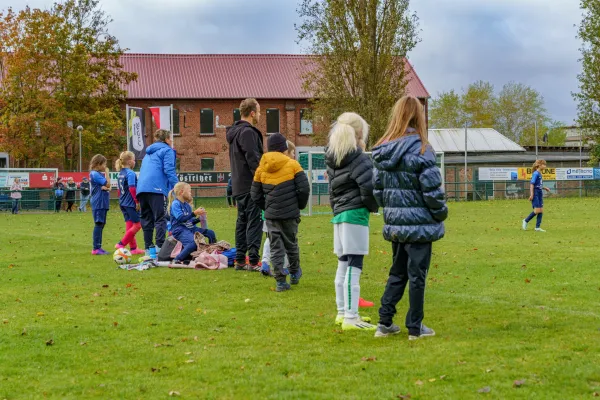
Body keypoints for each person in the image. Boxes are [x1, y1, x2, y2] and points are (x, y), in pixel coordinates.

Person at [371, 95, 448, 340]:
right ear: (418, 117)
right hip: (420, 223)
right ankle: (415, 326)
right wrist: (440, 213)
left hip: (397, 223)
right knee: (417, 275)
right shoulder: (422, 149)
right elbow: (432, 191)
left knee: (398, 272)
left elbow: (378, 190)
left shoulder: (384, 150)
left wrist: (393, 210)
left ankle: (385, 322)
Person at [325, 113, 380, 331]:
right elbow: (368, 187)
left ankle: (341, 312)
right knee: (354, 266)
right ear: (359, 134)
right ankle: (351, 317)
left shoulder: (333, 157)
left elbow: (332, 189)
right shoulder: (358, 157)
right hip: (355, 214)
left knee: (343, 264)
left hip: (339, 215)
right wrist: (373, 206)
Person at [251, 133, 310, 292]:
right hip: (290, 214)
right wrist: (299, 205)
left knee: (276, 247)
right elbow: (304, 188)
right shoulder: (293, 165)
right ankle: (295, 271)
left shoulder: (261, 168)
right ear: (284, 148)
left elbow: (255, 194)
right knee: (291, 244)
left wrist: (266, 206)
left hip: (272, 216)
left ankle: (280, 282)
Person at [226, 98, 264, 271]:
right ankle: (254, 260)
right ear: (253, 113)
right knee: (254, 221)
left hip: (238, 184)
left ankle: (240, 260)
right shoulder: (248, 132)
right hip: (250, 184)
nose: (261, 115)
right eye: (260, 111)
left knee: (242, 221)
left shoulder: (234, 133)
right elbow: (253, 158)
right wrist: (261, 179)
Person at [137, 129, 179, 259]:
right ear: (166, 139)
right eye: (170, 139)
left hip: (142, 188)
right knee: (160, 218)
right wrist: (178, 187)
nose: (171, 141)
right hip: (156, 188)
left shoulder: (147, 153)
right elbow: (169, 170)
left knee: (146, 218)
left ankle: (148, 248)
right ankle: (160, 248)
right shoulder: (167, 150)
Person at [260, 140, 295, 277]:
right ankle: (283, 266)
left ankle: (265, 262)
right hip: (283, 210)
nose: (294, 155)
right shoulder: (288, 168)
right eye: (293, 152)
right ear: (286, 152)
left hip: (268, 210)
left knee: (271, 237)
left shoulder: (265, 166)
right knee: (285, 238)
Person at [168, 182, 217, 263]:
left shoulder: (187, 205)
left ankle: (212, 255)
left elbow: (189, 222)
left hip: (189, 228)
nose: (191, 193)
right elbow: (181, 219)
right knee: (194, 242)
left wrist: (199, 218)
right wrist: (195, 213)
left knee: (211, 233)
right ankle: (177, 259)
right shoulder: (175, 204)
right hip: (179, 230)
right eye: (189, 191)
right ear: (181, 192)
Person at [115, 151, 145, 255]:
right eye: (133, 160)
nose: (135, 162)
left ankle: (133, 248)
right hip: (130, 203)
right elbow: (132, 188)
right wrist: (136, 201)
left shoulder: (121, 173)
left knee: (129, 225)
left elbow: (119, 190)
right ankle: (121, 244)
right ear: (129, 161)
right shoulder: (130, 173)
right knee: (137, 225)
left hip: (123, 203)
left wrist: (121, 200)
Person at [89, 154, 111, 255]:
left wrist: (106, 188)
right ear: (99, 163)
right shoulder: (95, 174)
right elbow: (108, 184)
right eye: (104, 163)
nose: (105, 165)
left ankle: (98, 247)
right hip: (99, 202)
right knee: (99, 224)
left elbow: (107, 187)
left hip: (102, 202)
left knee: (101, 224)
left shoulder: (97, 174)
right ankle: (96, 248)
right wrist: (107, 173)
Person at [522, 159, 551, 232]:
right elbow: (532, 184)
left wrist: (544, 188)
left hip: (539, 192)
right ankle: (525, 220)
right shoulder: (535, 174)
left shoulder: (539, 173)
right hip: (535, 193)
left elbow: (538, 185)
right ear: (540, 165)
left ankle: (537, 227)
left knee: (541, 210)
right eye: (544, 164)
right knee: (537, 210)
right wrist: (532, 194)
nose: (545, 166)